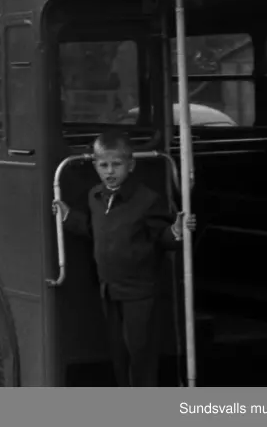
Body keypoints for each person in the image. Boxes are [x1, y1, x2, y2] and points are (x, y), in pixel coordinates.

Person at [52, 130, 197, 387]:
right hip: (110, 290)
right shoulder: (95, 196)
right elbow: (92, 229)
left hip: (140, 293)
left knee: (141, 355)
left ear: (130, 165)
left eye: (116, 164)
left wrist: (176, 231)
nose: (110, 171)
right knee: (118, 354)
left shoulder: (146, 200)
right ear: (95, 166)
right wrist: (67, 217)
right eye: (104, 165)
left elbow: (161, 238)